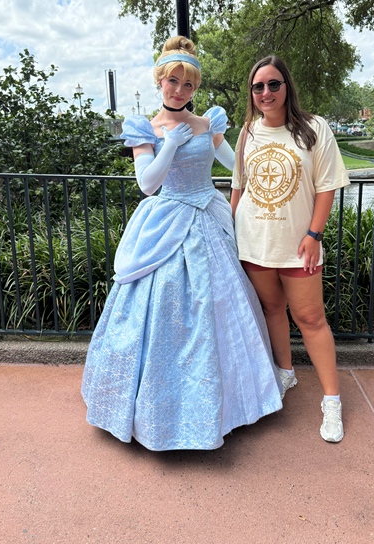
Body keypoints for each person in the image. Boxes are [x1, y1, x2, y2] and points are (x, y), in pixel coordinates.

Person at [81, 37, 283, 451]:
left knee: (222, 304)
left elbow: (237, 165)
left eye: (188, 84)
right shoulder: (145, 128)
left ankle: (232, 403)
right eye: (173, 81)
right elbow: (147, 184)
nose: (179, 90)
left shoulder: (208, 123)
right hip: (167, 220)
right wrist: (169, 144)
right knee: (165, 309)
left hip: (208, 216)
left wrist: (275, 149)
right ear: (160, 81)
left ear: (195, 88)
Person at [231, 55, 350, 443]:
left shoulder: (314, 129)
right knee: (271, 310)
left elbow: (327, 186)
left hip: (299, 246)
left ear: (286, 86)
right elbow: (239, 186)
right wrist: (230, 231)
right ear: (252, 93)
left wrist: (314, 235)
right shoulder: (247, 132)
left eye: (273, 84)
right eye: (258, 86)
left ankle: (331, 401)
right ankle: (285, 373)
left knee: (311, 319)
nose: (266, 92)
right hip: (254, 242)